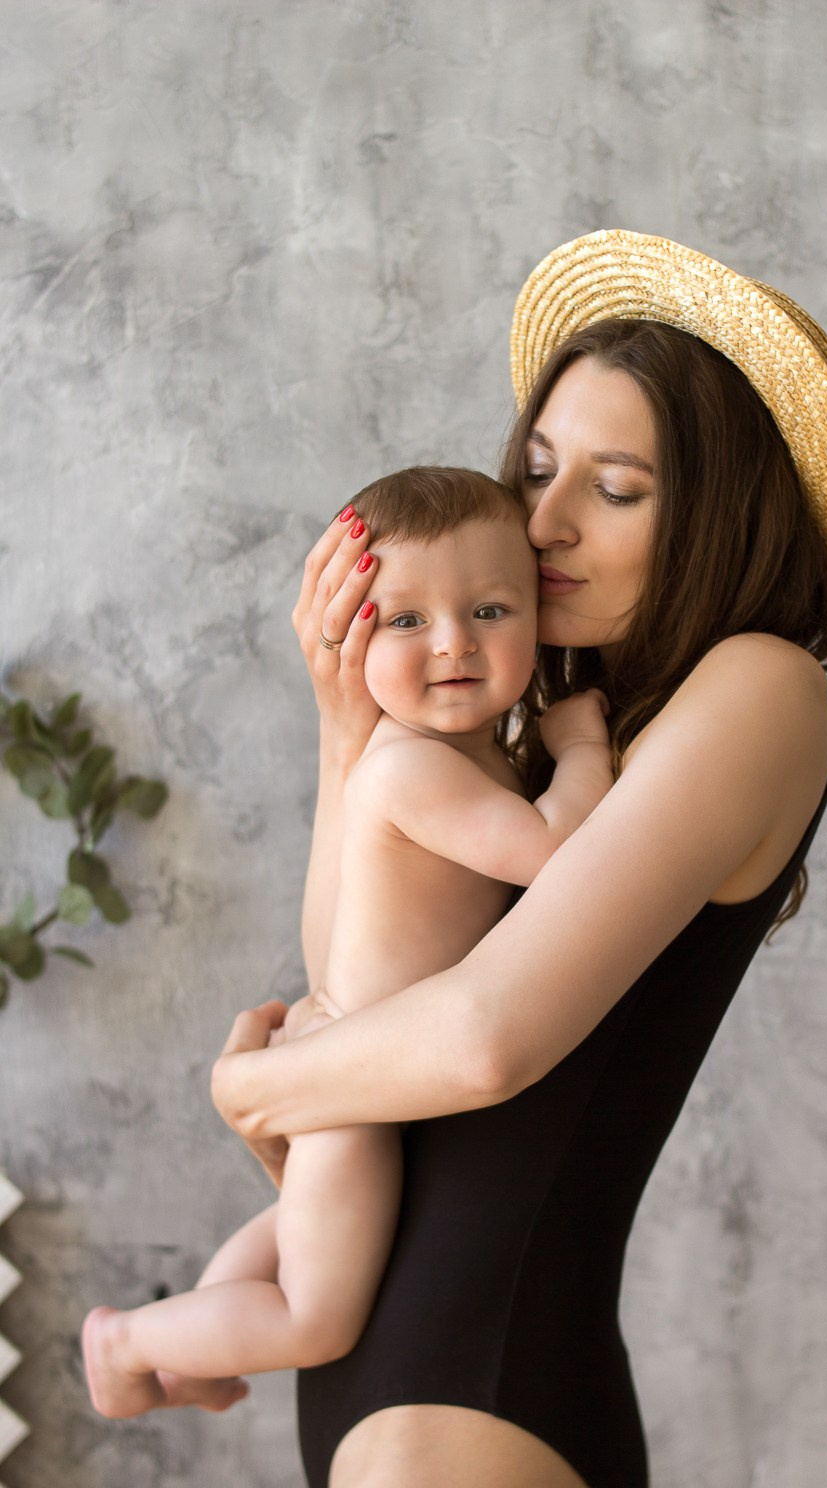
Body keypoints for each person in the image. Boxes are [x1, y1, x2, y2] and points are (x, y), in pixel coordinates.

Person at [209, 230, 827, 1488]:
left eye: (616, 490)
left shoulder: (756, 687)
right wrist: (347, 730)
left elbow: (474, 1045)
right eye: (536, 470)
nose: (545, 523)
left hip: (476, 1404)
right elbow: (353, 968)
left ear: (722, 516)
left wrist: (259, 1090)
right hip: (397, 1384)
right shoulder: (567, 722)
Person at [81, 466, 613, 1421]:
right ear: (351, 633)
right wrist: (582, 751)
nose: (453, 643)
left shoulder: (464, 749)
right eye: (405, 620)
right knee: (313, 1315)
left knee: (305, 1226)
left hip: (360, 1057)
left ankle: (199, 1333)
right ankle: (127, 1342)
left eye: (491, 608)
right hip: (354, 1080)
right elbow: (551, 852)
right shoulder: (407, 766)